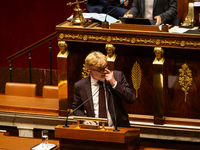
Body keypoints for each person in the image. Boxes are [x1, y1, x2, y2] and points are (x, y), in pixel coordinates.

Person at [72, 51, 136, 127]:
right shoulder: (80, 86)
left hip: (118, 128)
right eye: (100, 70)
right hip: (95, 130)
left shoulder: (117, 76)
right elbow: (77, 108)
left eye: (106, 67)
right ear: (90, 72)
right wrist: (85, 120)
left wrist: (114, 83)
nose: (105, 71)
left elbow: (131, 99)